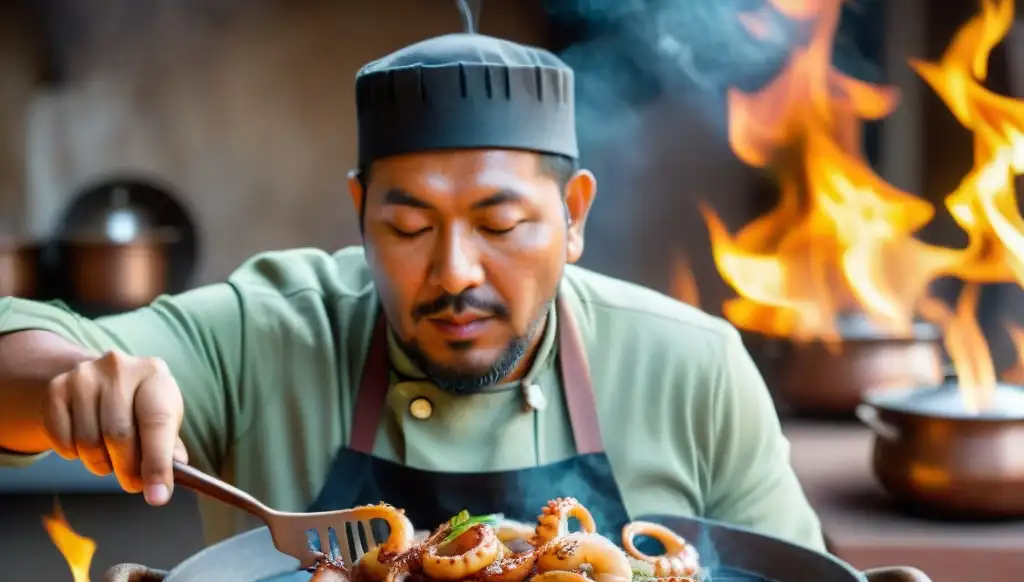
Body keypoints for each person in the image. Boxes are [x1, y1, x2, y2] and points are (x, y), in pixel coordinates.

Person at [0, 32, 825, 552]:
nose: (455, 271)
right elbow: (16, 342)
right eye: (409, 226)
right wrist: (69, 380)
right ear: (360, 214)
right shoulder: (269, 330)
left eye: (500, 226)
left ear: (573, 218)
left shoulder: (694, 366)